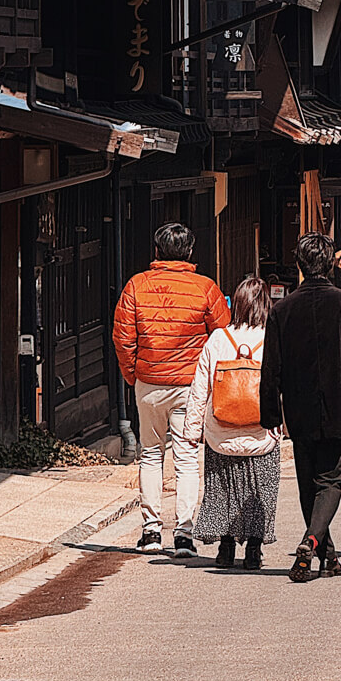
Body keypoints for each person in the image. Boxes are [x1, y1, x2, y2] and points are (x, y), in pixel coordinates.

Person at [259, 231, 341, 583]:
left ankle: (327, 556)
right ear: (330, 264)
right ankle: (313, 541)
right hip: (340, 407)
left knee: (306, 484)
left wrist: (270, 414)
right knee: (330, 482)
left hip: (298, 410)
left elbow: (271, 369)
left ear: (299, 265)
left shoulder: (282, 310)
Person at [113, 222, 230, 556]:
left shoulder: (136, 285)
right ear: (190, 252)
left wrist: (133, 374)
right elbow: (221, 335)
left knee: (150, 454)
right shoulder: (205, 288)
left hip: (149, 381)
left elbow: (123, 337)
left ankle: (151, 531)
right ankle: (184, 534)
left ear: (156, 251)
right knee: (187, 457)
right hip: (190, 385)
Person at [184, 276, 279, 571]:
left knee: (220, 488)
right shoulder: (272, 339)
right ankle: (253, 549)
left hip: (220, 432)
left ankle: (225, 548)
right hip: (260, 432)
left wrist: (192, 429)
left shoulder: (218, 339)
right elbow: (283, 386)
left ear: (235, 305)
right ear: (266, 305)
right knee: (260, 490)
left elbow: (200, 388)